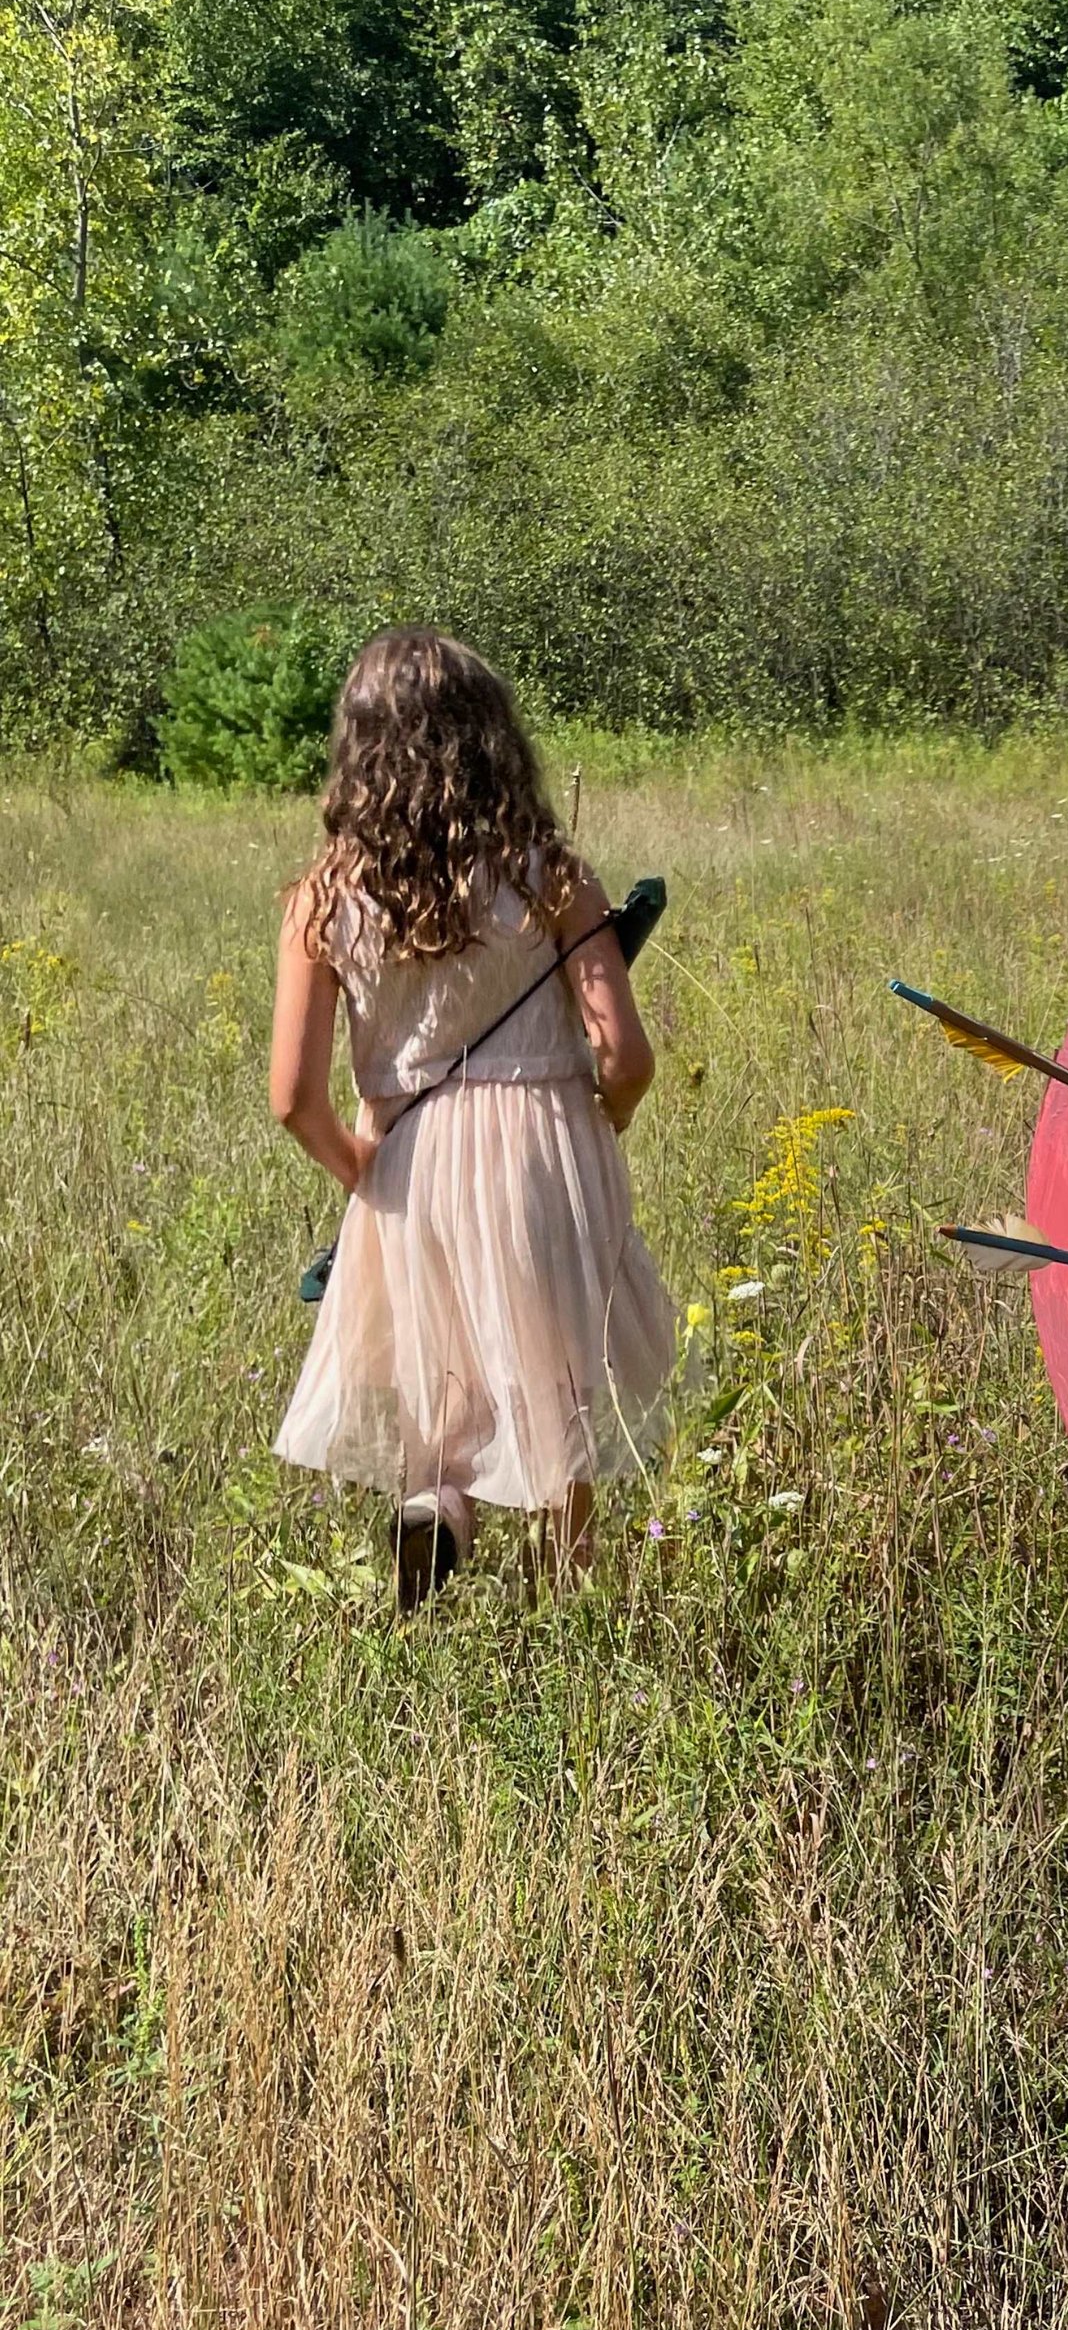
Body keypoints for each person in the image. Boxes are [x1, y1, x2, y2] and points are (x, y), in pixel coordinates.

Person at [268, 626, 675, 1609]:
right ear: (493, 739)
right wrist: (603, 1121)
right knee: (558, 1391)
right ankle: (570, 1606)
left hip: (408, 1163)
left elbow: (292, 1099)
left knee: (439, 1389)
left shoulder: (323, 899)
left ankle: (436, 1509)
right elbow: (625, 1056)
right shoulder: (551, 874)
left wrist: (366, 1173)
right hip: (545, 1150)